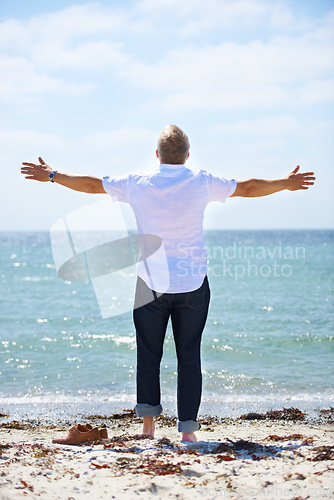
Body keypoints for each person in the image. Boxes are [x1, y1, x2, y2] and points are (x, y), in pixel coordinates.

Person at [21, 125, 315, 442]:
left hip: (150, 285)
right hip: (192, 284)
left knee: (149, 354)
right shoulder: (202, 181)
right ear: (187, 155)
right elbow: (249, 188)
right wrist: (286, 184)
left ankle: (148, 429)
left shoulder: (137, 183)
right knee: (189, 356)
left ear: (157, 155)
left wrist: (53, 175)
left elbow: (93, 185)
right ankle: (188, 433)